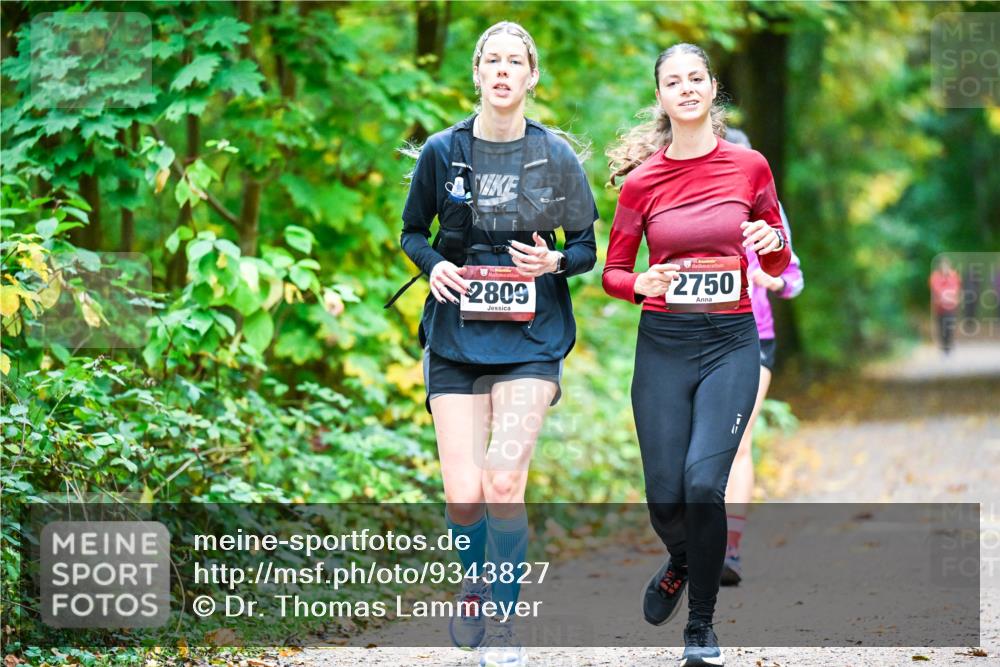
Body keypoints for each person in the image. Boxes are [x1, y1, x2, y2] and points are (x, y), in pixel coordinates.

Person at [396, 21, 598, 667]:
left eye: (516, 61)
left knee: (504, 480)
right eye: (493, 61)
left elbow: (586, 249)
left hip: (531, 339)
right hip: (455, 335)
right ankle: (475, 584)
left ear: (532, 76)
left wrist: (554, 265)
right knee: (464, 491)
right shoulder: (442, 150)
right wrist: (436, 266)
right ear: (478, 73)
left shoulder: (555, 156)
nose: (504, 71)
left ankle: (507, 622)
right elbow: (411, 233)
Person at [604, 43, 791, 667]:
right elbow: (613, 272)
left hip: (731, 342)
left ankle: (702, 629)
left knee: (704, 483)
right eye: (672, 81)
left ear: (712, 90)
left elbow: (776, 261)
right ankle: (683, 558)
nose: (685, 88)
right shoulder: (641, 183)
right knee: (665, 496)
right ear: (660, 97)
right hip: (663, 346)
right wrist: (640, 285)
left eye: (696, 78)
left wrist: (771, 243)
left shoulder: (749, 167)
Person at [718, 129, 804, 587]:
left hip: (756, 335)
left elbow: (795, 277)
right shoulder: (691, 198)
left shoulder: (766, 208)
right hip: (695, 336)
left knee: (739, 440)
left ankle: (729, 550)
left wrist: (775, 283)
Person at [929, 256, 961, 354]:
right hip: (939, 307)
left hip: (951, 306)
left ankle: (949, 344)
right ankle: (944, 344)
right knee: (941, 326)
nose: (944, 268)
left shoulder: (954, 276)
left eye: (946, 266)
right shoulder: (935, 276)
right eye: (943, 266)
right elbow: (935, 288)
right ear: (940, 267)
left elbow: (956, 288)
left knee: (949, 326)